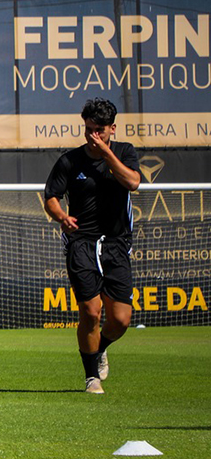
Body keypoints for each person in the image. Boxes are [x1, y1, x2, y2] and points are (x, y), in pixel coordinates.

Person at [43, 98, 141, 394]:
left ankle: (101, 348)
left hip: (116, 243)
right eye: (88, 129)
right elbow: (51, 197)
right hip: (81, 241)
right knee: (91, 311)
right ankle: (90, 376)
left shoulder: (124, 152)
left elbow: (133, 182)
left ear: (112, 128)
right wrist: (60, 216)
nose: (93, 136)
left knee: (121, 319)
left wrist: (107, 154)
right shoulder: (70, 160)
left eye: (99, 130)